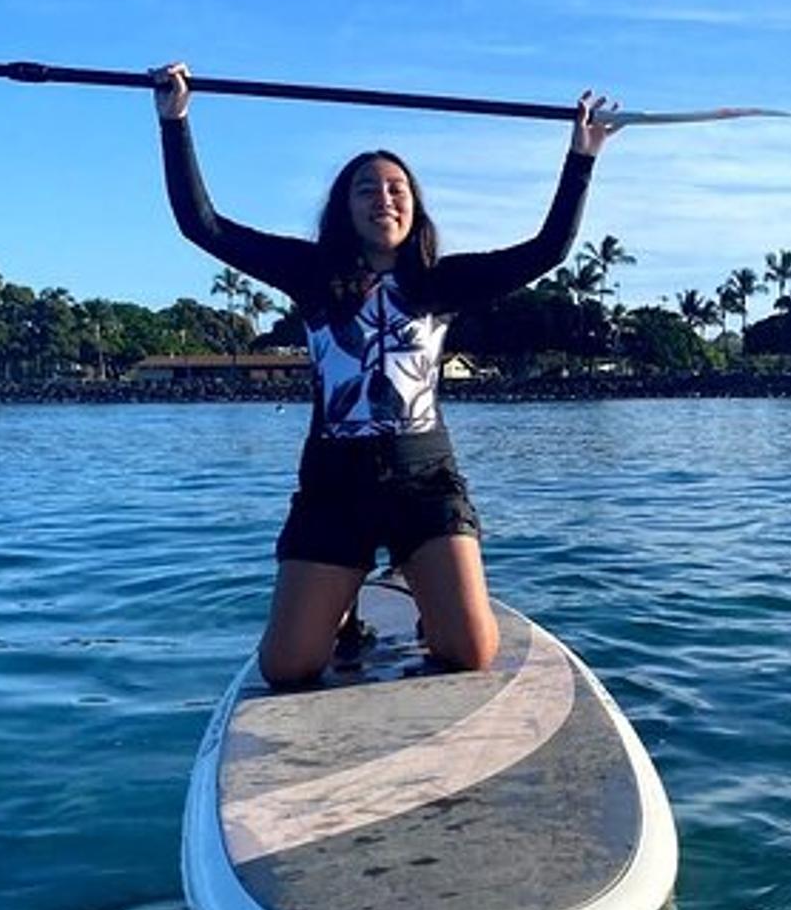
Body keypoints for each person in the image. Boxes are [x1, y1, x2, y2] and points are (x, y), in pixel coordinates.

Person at [151, 62, 619, 685]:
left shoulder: (442, 281)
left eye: (397, 188)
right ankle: (342, 602)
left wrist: (581, 156)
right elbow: (201, 225)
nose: (384, 199)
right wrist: (175, 120)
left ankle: (422, 585)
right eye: (366, 189)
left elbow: (547, 250)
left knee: (468, 654)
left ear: (415, 207)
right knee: (287, 669)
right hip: (332, 487)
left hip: (424, 481)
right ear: (345, 208)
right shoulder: (310, 272)